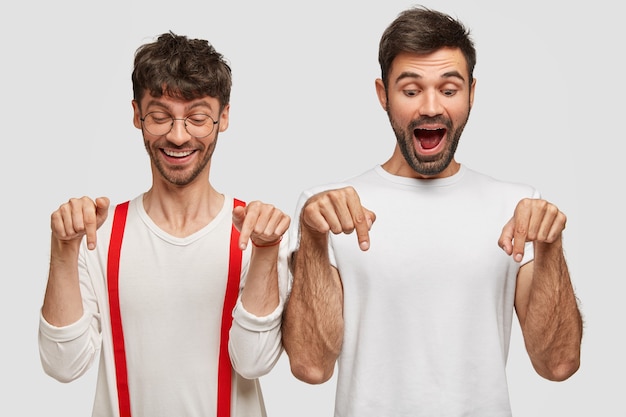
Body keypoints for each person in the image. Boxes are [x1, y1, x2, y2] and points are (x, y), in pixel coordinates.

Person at [281, 6, 583, 416]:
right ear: (382, 94)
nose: (430, 107)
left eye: (449, 89)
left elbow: (558, 364)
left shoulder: (516, 207)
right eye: (410, 90)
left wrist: (551, 247)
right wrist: (313, 239)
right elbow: (311, 366)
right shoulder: (327, 207)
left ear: (472, 93)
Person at [38, 32, 290, 417]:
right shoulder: (98, 235)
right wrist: (62, 253)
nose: (177, 135)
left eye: (197, 117)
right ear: (137, 114)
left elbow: (253, 362)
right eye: (159, 116)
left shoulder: (258, 233)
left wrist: (266, 253)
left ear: (223, 117)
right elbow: (63, 365)